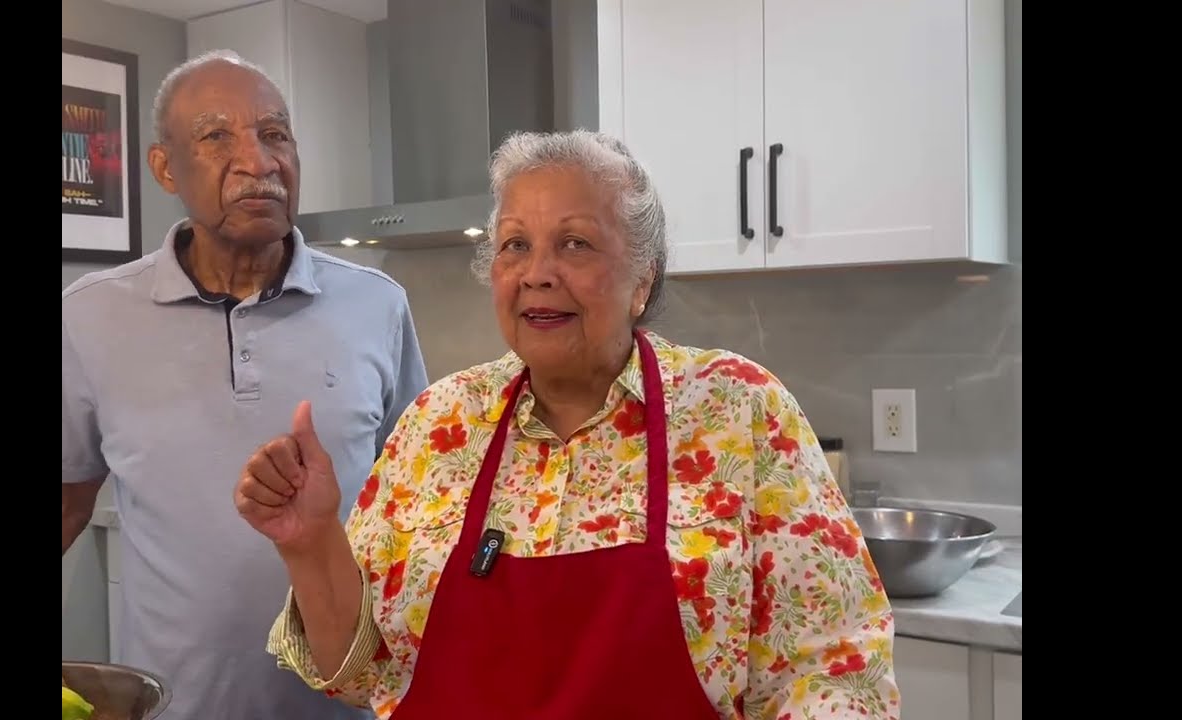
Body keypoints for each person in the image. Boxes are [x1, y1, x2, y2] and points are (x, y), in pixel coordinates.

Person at [237, 129, 901, 719]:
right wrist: (312, 541)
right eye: (515, 245)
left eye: (575, 243)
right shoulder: (438, 424)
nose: (537, 274)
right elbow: (361, 676)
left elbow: (833, 674)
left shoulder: (738, 412)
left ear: (643, 278)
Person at [62, 50, 428, 720]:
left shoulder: (378, 305)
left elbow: (421, 514)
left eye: (275, 134)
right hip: (176, 704)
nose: (259, 162)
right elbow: (66, 503)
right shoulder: (89, 315)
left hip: (350, 704)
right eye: (216, 136)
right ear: (165, 167)